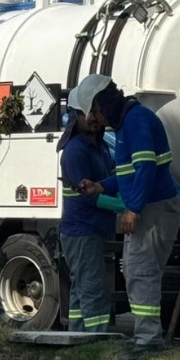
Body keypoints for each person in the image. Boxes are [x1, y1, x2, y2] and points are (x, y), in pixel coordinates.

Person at [72, 75, 180, 360]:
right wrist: (101, 187)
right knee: (136, 271)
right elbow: (130, 173)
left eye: (95, 112)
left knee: (141, 271)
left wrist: (132, 209)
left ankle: (148, 342)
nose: (96, 120)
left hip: (153, 209)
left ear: (104, 104)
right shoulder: (129, 124)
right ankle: (146, 338)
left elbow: (145, 168)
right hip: (151, 206)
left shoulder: (136, 122)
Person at [56, 89, 124, 333]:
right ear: (76, 116)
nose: (94, 117)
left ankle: (77, 335)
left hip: (90, 229)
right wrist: (125, 208)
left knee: (81, 288)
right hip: (82, 230)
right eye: (88, 113)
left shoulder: (100, 147)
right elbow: (88, 198)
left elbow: (108, 181)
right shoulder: (76, 151)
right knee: (93, 289)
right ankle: (95, 342)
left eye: (96, 111)